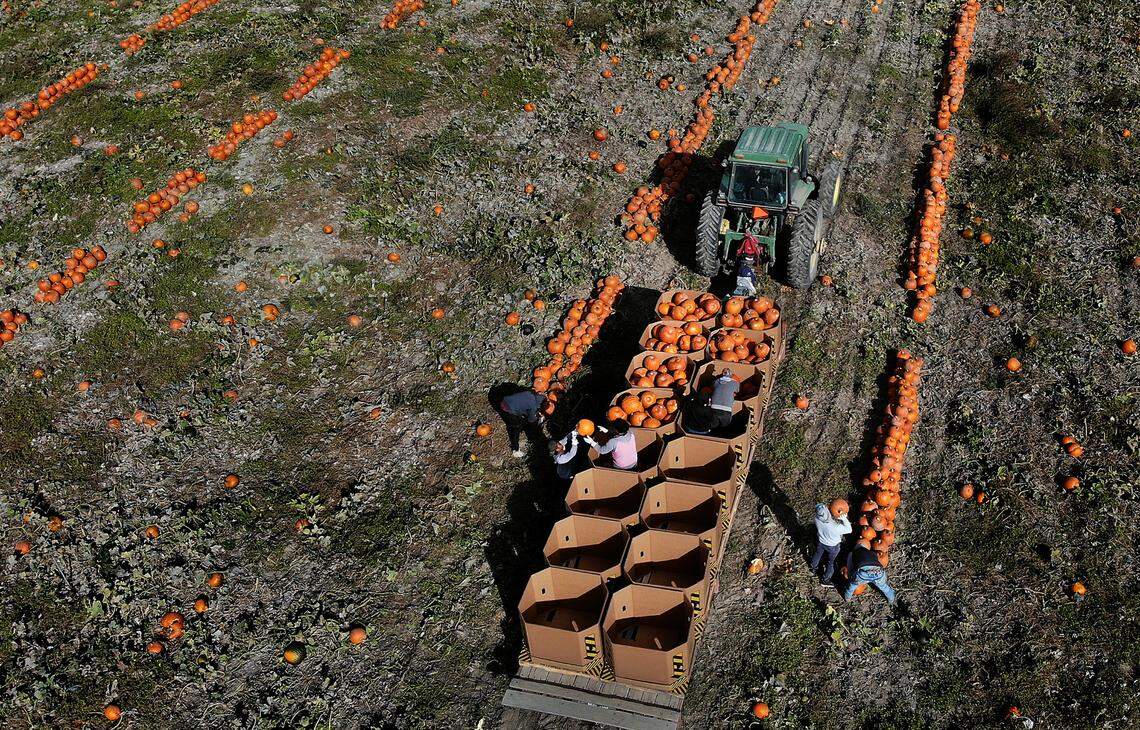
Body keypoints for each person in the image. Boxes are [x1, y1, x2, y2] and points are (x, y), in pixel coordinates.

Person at [843, 539, 897, 605]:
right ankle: (891, 599)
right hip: (878, 572)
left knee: (851, 587)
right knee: (884, 587)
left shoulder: (852, 554)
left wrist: (851, 578)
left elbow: (849, 566)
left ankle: (847, 598)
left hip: (862, 575)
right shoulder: (872, 552)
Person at [810, 498, 851, 584]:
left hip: (821, 542)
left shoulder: (817, 518)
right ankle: (825, 580)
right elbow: (849, 530)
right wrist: (844, 519)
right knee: (831, 562)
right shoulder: (836, 527)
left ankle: (813, 567)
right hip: (833, 546)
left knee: (817, 554)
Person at [497, 387, 546, 458]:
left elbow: (523, 405)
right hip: (506, 408)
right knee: (515, 427)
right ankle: (515, 449)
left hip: (505, 399)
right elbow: (531, 420)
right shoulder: (533, 406)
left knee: (520, 418)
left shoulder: (530, 394)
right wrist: (538, 421)